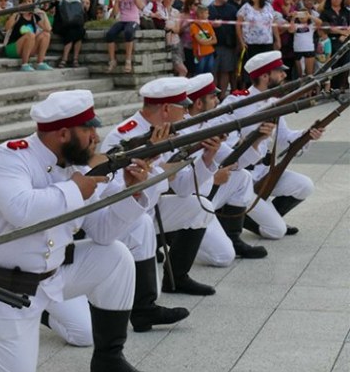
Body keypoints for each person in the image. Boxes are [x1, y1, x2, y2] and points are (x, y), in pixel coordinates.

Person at [0, 90, 158, 372]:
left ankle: (109, 361)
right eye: (88, 128)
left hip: (50, 278)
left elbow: (103, 232)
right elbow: (21, 210)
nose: (96, 136)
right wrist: (77, 189)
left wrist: (133, 192)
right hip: (0, 288)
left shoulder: (78, 164)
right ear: (64, 133)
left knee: (116, 257)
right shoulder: (8, 158)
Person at [102, 77, 222, 297]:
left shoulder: (167, 131)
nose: (186, 113)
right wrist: (155, 157)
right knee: (150, 294)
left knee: (199, 206)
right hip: (124, 217)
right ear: (166, 108)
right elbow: (116, 190)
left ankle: (177, 277)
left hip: (151, 209)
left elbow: (184, 188)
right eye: (183, 107)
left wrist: (207, 158)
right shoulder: (125, 135)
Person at [221, 51, 322, 239]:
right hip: (243, 175)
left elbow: (284, 137)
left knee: (304, 185)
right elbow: (226, 145)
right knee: (277, 232)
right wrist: (254, 139)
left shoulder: (275, 102)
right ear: (264, 76)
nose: (284, 75)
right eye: (279, 71)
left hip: (264, 171)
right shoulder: (236, 102)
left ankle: (268, 217)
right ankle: (255, 219)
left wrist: (308, 134)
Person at [184, 74, 270, 262]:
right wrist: (213, 178)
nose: (217, 101)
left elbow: (234, 162)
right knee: (223, 257)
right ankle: (171, 239)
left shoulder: (203, 125)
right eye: (213, 97)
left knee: (242, 176)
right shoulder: (182, 132)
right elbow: (177, 179)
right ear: (199, 103)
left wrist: (256, 139)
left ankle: (233, 237)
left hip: (204, 194)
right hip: (186, 201)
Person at [237, 0, 280, 89]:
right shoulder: (245, 7)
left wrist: (277, 39)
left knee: (267, 68)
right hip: (251, 44)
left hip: (267, 43)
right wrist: (241, 41)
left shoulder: (268, 6)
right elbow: (238, 25)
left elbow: (273, 23)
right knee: (253, 70)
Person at [4, 0, 52, 71]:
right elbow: (7, 28)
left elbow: (48, 29)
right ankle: (24, 64)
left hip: (28, 48)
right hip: (13, 48)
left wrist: (44, 14)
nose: (27, 3)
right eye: (24, 1)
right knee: (30, 35)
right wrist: (16, 12)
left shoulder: (34, 16)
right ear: (20, 3)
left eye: (29, 1)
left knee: (46, 34)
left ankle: (40, 63)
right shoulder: (17, 15)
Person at [105, 0, 144, 73]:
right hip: (123, 20)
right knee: (110, 34)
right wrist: (117, 2)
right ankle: (112, 60)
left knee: (128, 32)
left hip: (133, 20)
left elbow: (141, 6)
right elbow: (115, 13)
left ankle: (128, 60)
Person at [208, 0, 239, 99]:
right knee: (214, 71)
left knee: (226, 70)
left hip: (228, 45)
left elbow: (237, 27)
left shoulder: (232, 9)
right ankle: (213, 96)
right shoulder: (209, 9)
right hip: (212, 45)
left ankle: (222, 96)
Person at [319, 0, 350, 90]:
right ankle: (333, 86)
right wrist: (341, 32)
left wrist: (345, 35)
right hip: (331, 41)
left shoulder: (346, 11)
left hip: (345, 40)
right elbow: (326, 27)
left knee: (346, 62)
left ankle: (343, 85)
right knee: (334, 63)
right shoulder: (325, 12)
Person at [53, 0, 86, 68]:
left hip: (74, 22)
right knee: (72, 31)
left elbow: (83, 10)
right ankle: (66, 58)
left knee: (80, 30)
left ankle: (73, 58)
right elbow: (48, 8)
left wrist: (81, 0)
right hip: (61, 24)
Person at [289, 0, 321, 78]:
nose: (303, 17)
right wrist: (293, 17)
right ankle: (302, 91)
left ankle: (309, 91)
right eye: (301, 15)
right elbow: (290, 30)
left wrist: (309, 16)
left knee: (309, 75)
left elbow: (319, 23)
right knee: (300, 75)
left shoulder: (311, 26)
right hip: (298, 50)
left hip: (309, 49)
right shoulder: (296, 25)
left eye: (304, 15)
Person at [191, 5, 217, 75]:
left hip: (210, 52)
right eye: (206, 13)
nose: (208, 15)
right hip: (200, 54)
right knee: (199, 72)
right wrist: (209, 40)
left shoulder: (208, 25)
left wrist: (206, 41)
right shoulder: (194, 26)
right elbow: (200, 41)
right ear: (200, 14)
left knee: (209, 72)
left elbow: (215, 40)